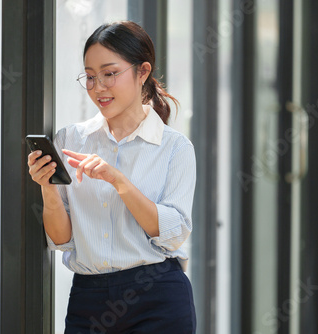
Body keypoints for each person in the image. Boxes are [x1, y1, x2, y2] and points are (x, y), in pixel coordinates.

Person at [27, 21, 196, 334]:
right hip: (88, 299)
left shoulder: (174, 148)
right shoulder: (70, 141)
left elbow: (173, 234)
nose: (98, 87)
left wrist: (119, 181)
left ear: (142, 72)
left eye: (109, 73)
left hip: (157, 296)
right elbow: (62, 240)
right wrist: (48, 189)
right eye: (90, 77)